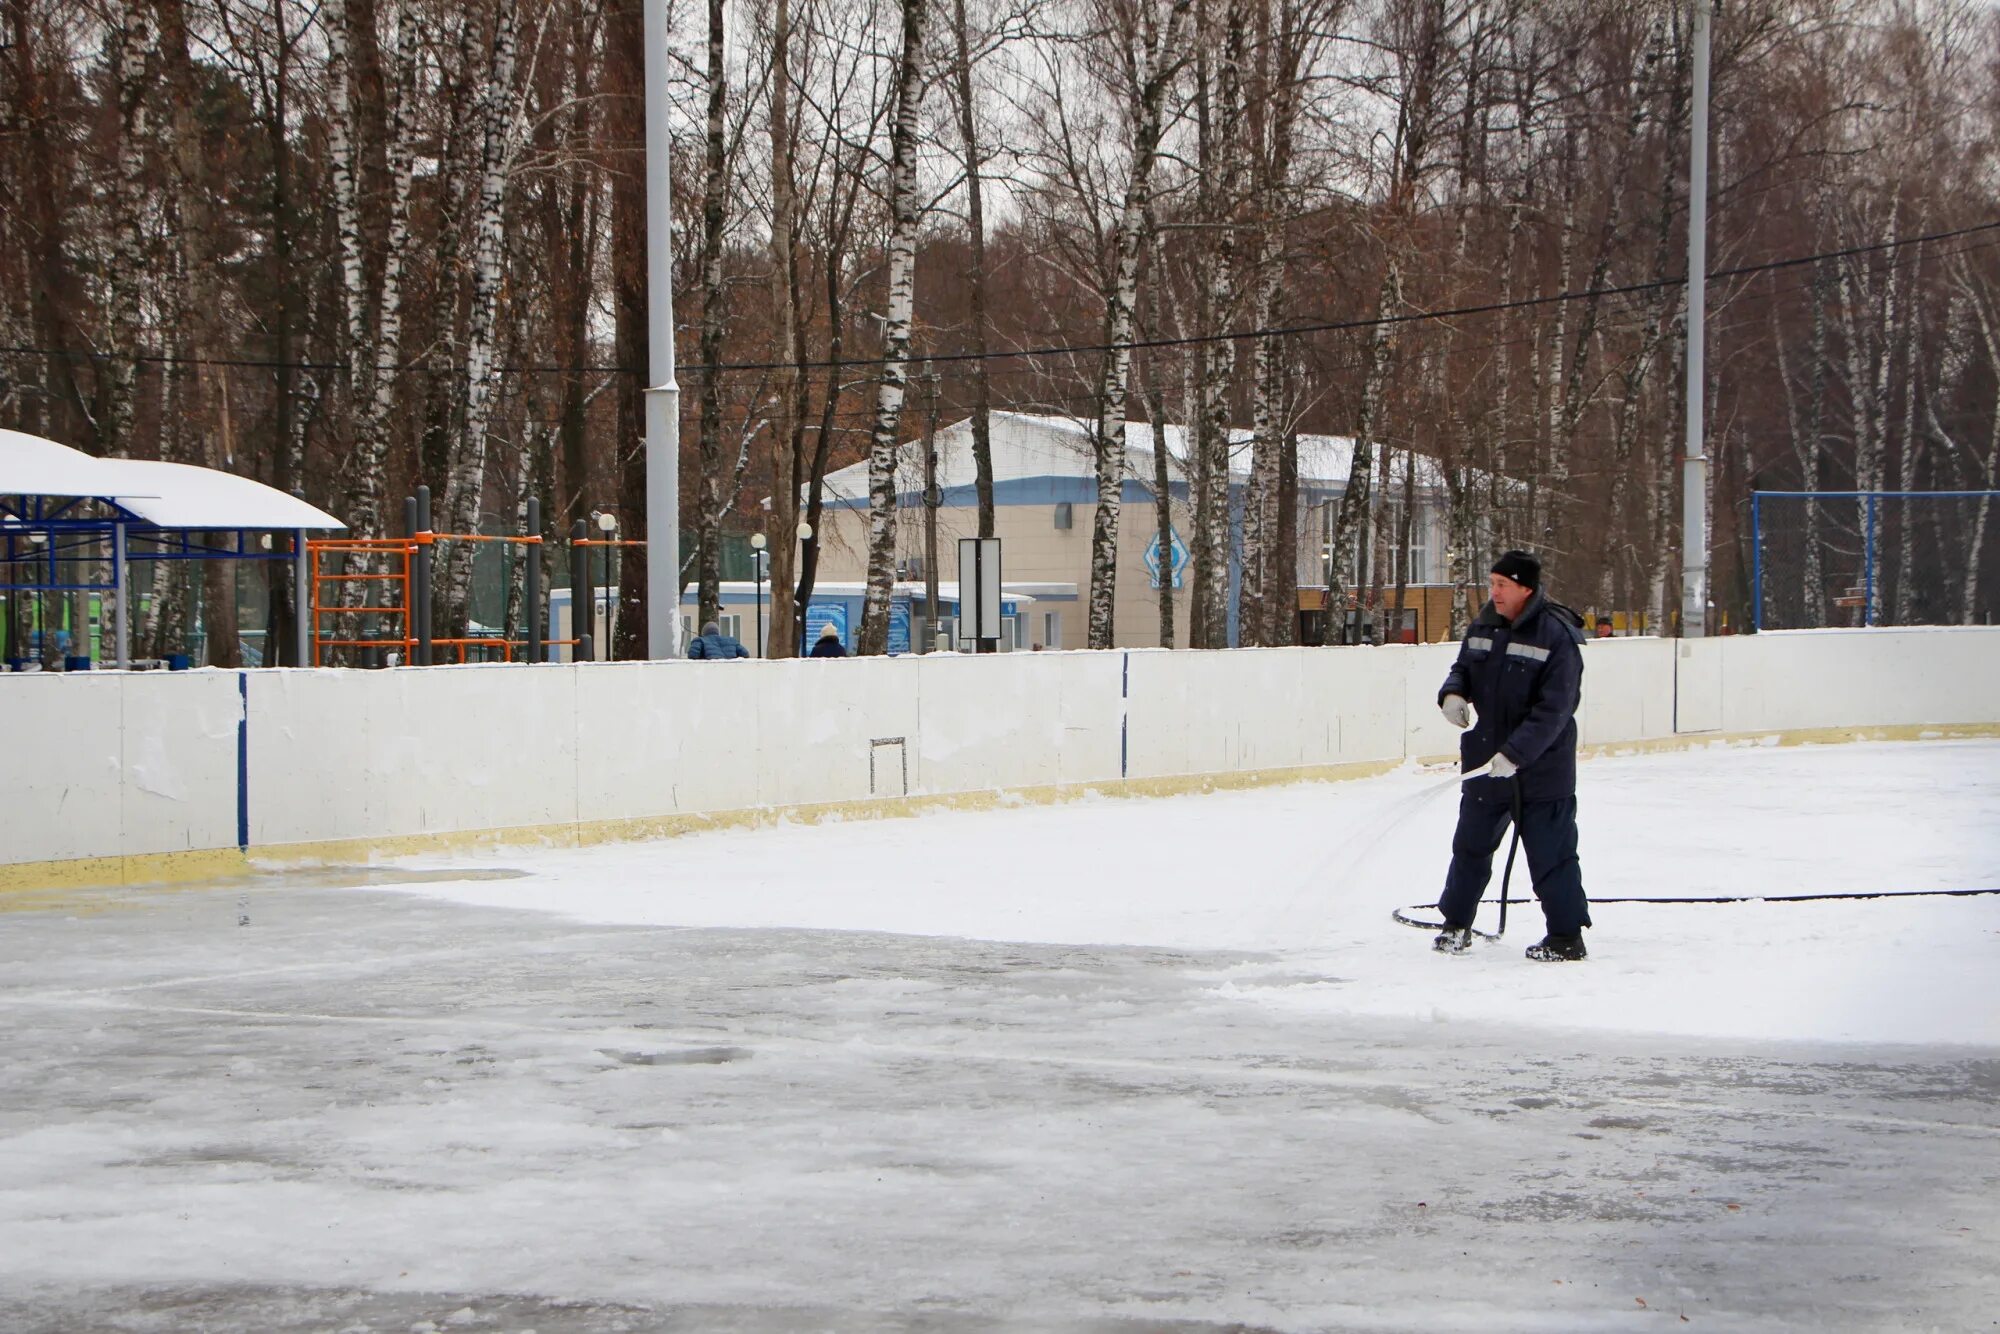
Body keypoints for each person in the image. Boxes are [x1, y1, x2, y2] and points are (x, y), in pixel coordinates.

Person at [1433, 550, 1592, 962]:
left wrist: (1516, 754)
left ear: (1526, 588)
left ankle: (1565, 937)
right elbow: (1464, 666)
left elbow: (1555, 709)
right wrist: (1453, 692)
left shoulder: (1556, 636)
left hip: (1542, 772)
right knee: (1469, 848)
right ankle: (1455, 925)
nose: (1494, 592)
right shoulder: (1484, 623)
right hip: (1486, 765)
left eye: (1502, 585)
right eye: (1491, 583)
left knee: (1551, 855)